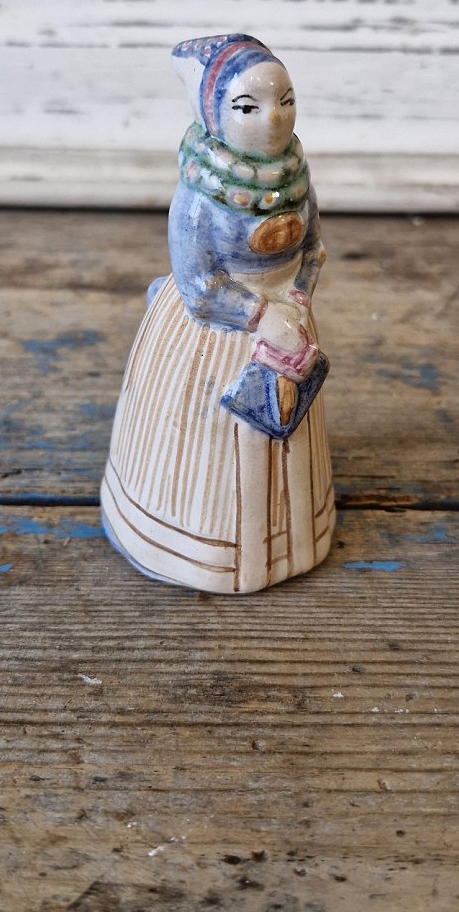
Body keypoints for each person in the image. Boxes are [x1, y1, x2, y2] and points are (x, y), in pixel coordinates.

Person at [101, 33, 334, 593]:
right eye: (248, 107)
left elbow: (313, 251)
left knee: (289, 439)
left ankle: (295, 536)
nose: (274, 118)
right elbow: (200, 287)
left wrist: (297, 299)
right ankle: (190, 542)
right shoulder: (200, 197)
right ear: (215, 115)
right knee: (207, 444)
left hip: (287, 316)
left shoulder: (296, 182)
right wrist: (261, 316)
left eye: (285, 100)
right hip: (221, 331)